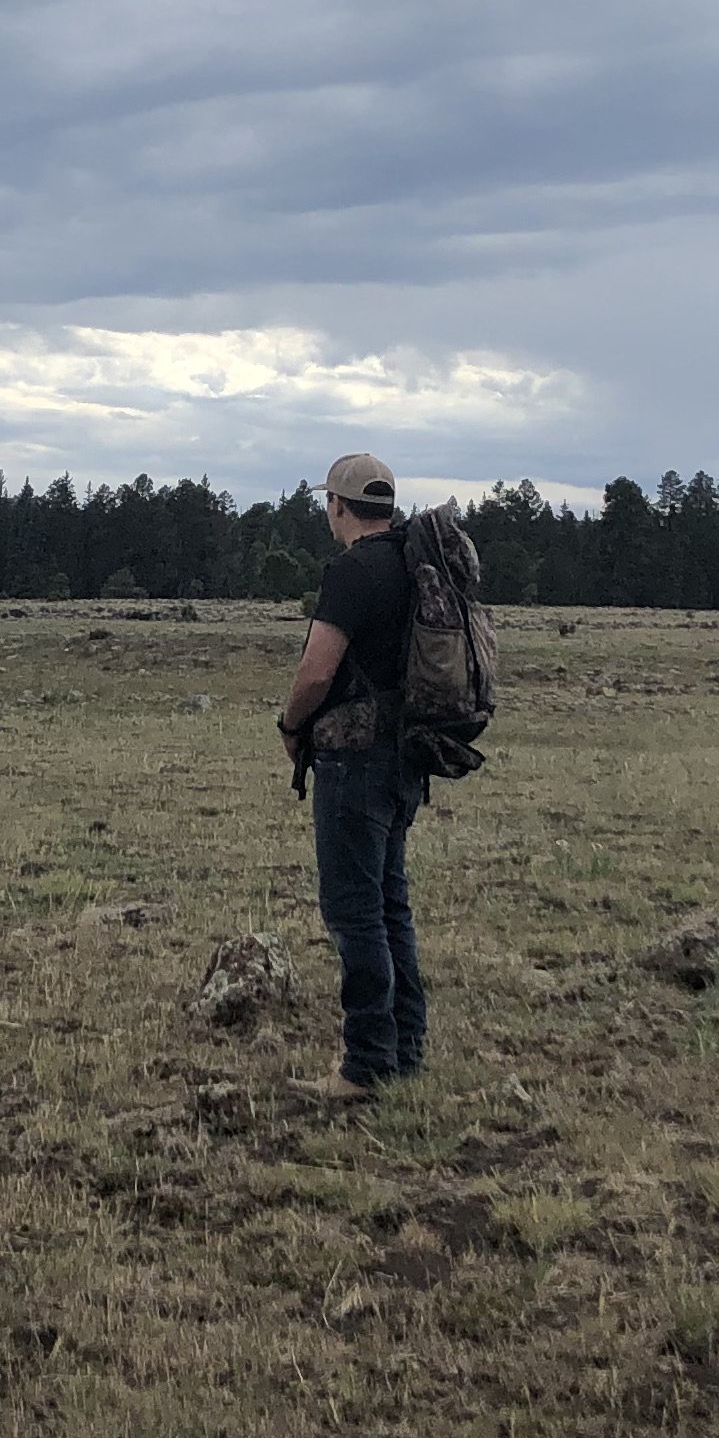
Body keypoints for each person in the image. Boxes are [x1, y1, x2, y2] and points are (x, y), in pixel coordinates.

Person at [275, 449, 426, 1091]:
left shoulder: (351, 571)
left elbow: (316, 672)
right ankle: (404, 1049)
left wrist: (290, 726)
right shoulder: (413, 564)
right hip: (407, 754)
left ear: (337, 506)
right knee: (390, 905)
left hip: (353, 759)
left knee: (353, 910)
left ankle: (364, 1065)